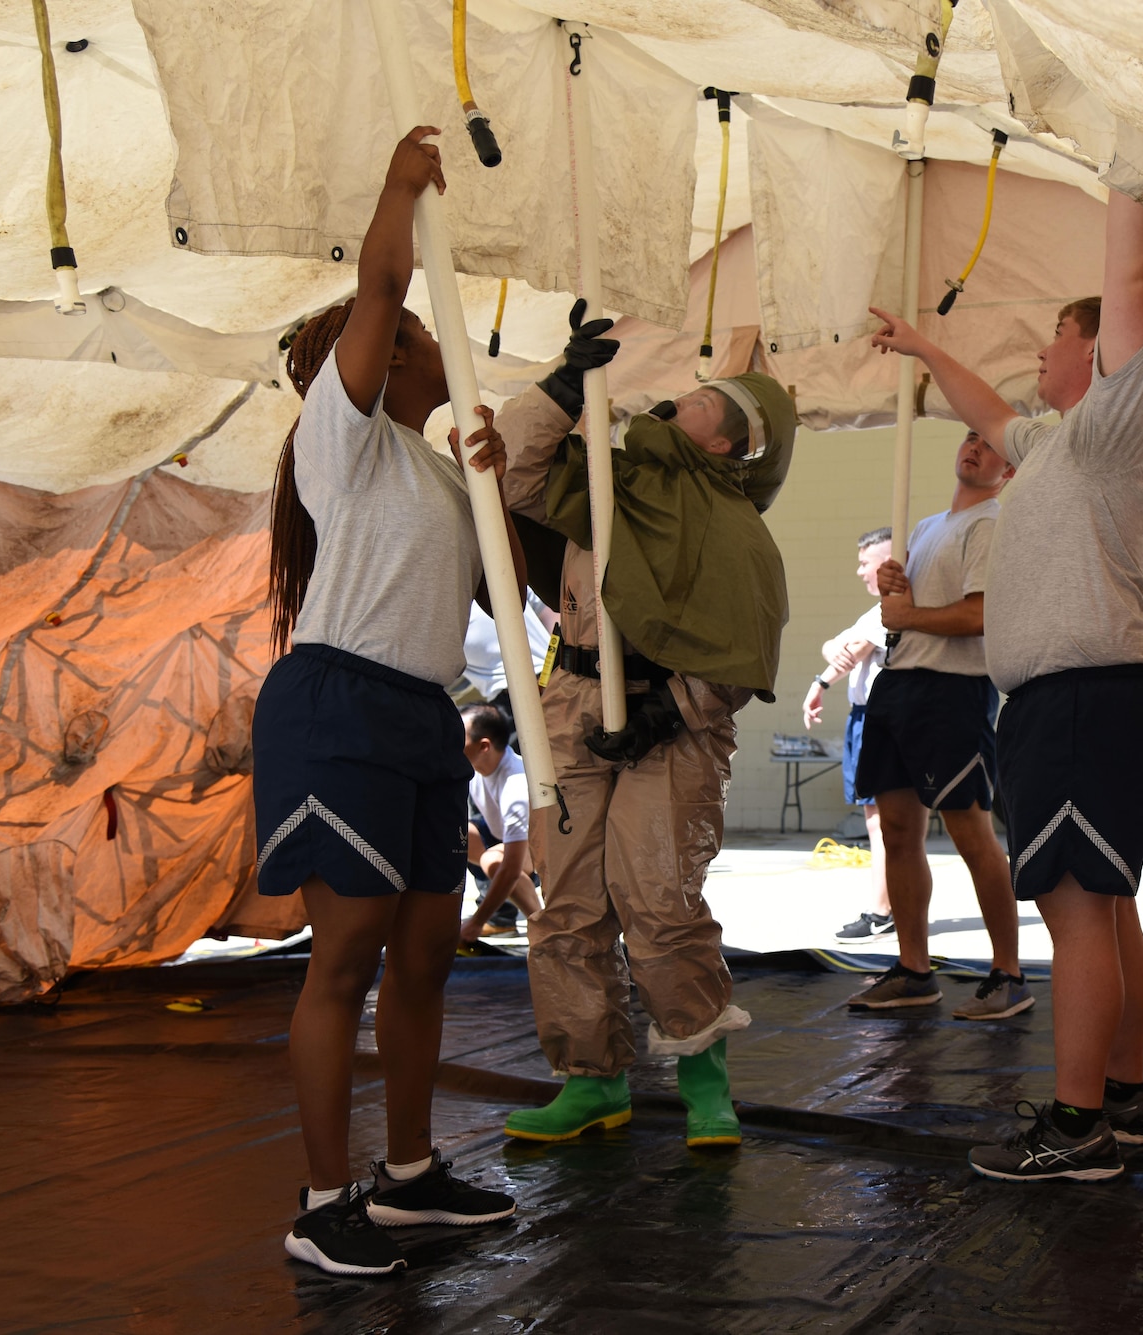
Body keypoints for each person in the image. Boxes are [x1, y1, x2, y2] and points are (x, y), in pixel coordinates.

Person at [252, 126, 520, 1275]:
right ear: (377, 360)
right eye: (410, 338)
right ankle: (323, 1203)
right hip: (336, 705)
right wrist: (402, 188)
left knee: (424, 954)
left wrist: (495, 477)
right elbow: (379, 282)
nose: (423, 348)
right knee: (348, 948)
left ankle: (408, 1178)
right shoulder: (339, 433)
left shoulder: (431, 464)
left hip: (416, 711)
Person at [868, 189, 1143, 1181]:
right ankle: (1120, 1099)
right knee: (1105, 909)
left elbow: (1126, 281)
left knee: (1077, 908)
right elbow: (985, 413)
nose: (1039, 355)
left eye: (1054, 337)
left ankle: (1076, 1125)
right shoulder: (1049, 450)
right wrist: (918, 346)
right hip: (1068, 701)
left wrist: (1125, 178)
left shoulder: (1112, 422)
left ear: (1096, 356)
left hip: (1084, 695)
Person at [493, 316, 799, 1150]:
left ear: (734, 443)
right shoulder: (605, 480)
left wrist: (674, 705)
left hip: (674, 721)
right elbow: (510, 474)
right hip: (573, 701)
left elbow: (742, 640)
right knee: (569, 906)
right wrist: (563, 383)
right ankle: (591, 1079)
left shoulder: (736, 534)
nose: (676, 399)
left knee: (659, 900)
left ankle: (703, 1073)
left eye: (701, 401)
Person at [844, 432, 1031, 1021]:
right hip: (899, 686)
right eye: (970, 436)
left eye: (990, 444)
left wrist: (907, 613)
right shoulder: (926, 527)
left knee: (970, 831)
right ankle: (913, 969)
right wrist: (899, 594)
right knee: (897, 831)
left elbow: (980, 614)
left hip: (953, 692)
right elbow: (911, 615)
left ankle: (1008, 973)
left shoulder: (991, 524)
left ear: (1007, 470)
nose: (974, 447)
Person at [801, 528, 896, 944]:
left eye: (865, 563)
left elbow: (849, 653)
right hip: (864, 719)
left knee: (883, 826)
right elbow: (834, 646)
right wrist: (838, 655)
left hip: (880, 721)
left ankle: (883, 912)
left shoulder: (888, 611)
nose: (859, 571)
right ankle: (889, 907)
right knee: (877, 822)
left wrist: (820, 683)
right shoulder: (872, 613)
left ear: (888, 562)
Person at [459, 704, 542, 942]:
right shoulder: (473, 766)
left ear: (484, 746)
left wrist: (476, 923)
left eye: (458, 737)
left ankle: (543, 925)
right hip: (498, 833)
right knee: (447, 834)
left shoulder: (515, 786)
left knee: (494, 861)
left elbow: (512, 867)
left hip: (537, 848)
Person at [457, 590, 555, 714]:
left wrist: (560, 660)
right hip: (508, 702)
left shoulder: (496, 577)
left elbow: (548, 610)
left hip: (552, 674)